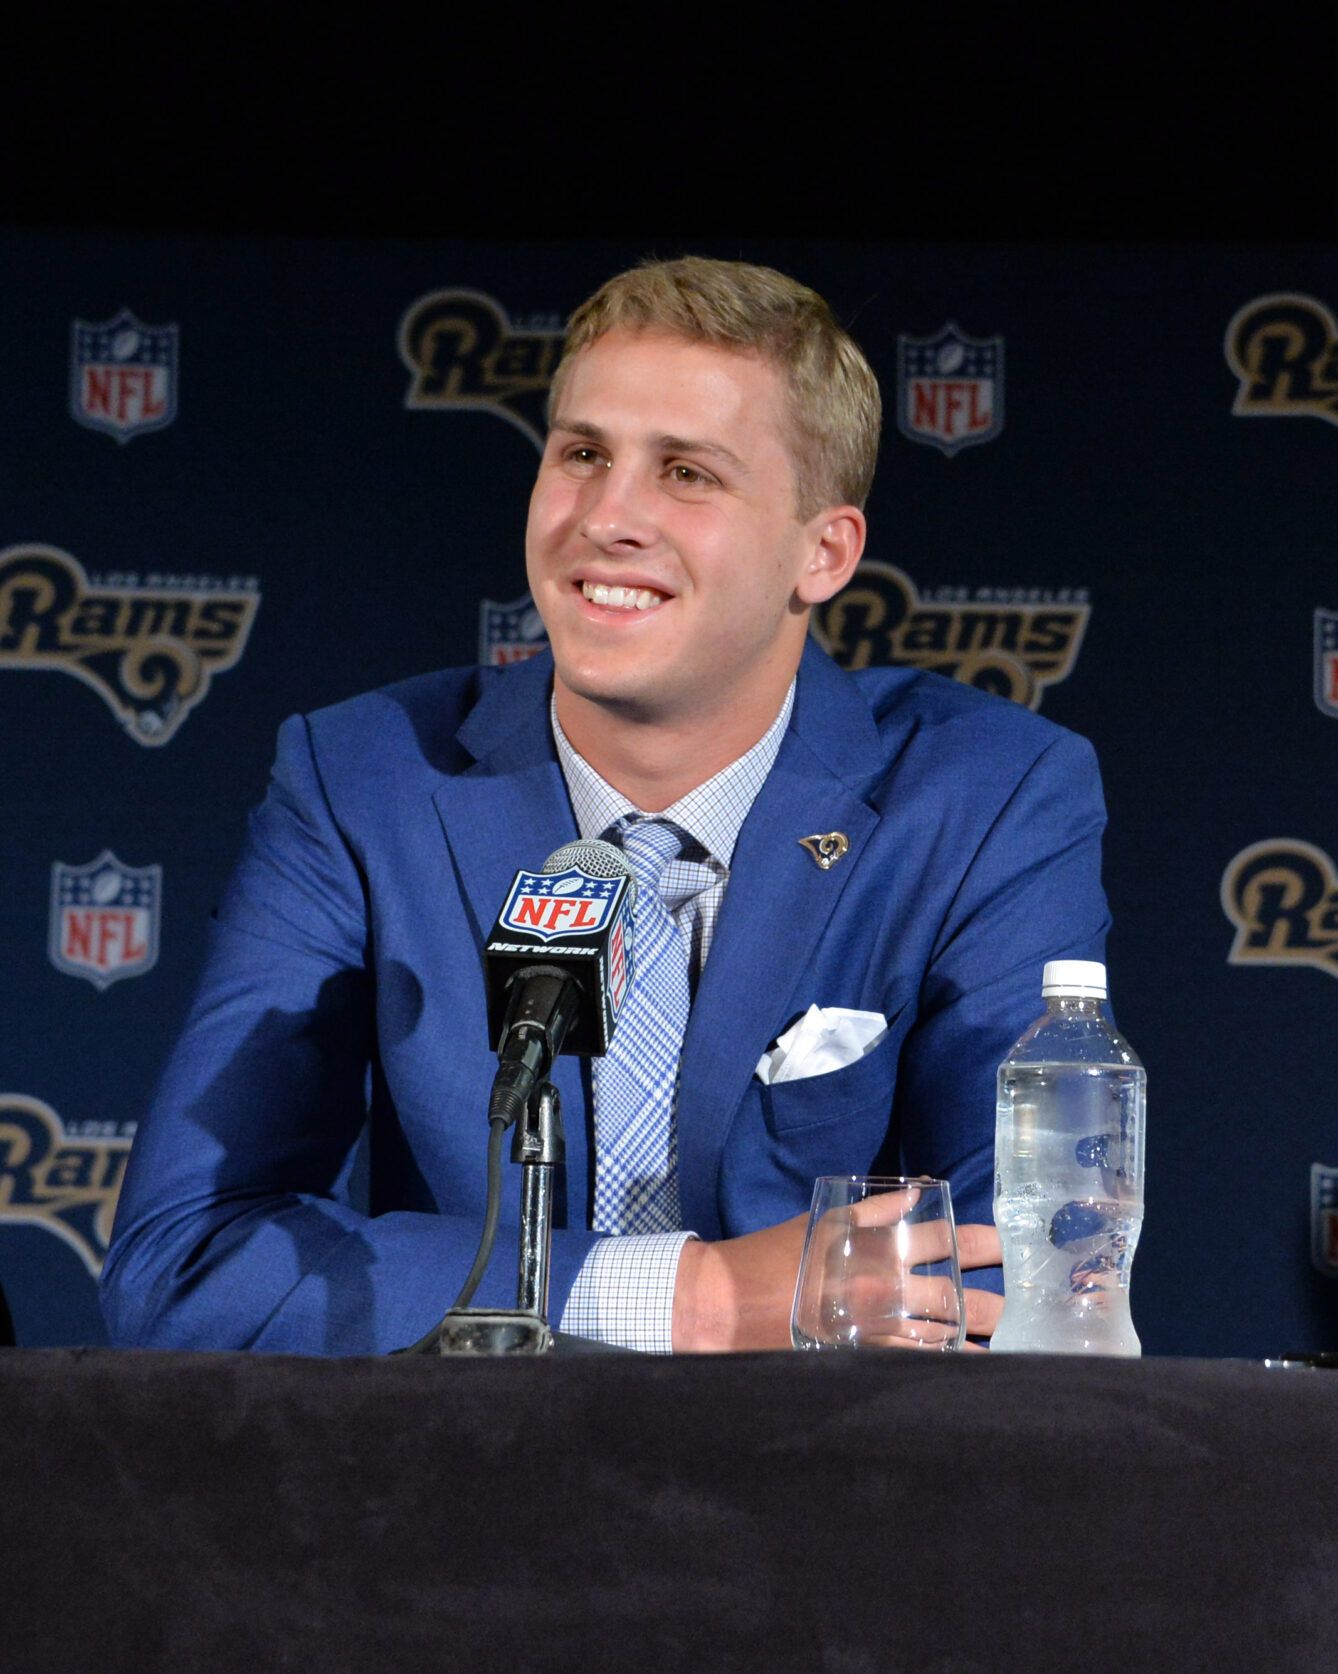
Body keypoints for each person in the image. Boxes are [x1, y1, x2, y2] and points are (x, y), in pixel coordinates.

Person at [101, 258, 1108, 1355]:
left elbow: (1029, 1275)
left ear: (822, 553)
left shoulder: (985, 797)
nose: (608, 517)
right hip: (465, 1494)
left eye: (687, 473)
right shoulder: (365, 783)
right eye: (582, 454)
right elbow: (186, 1258)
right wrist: (701, 1297)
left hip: (837, 1487)